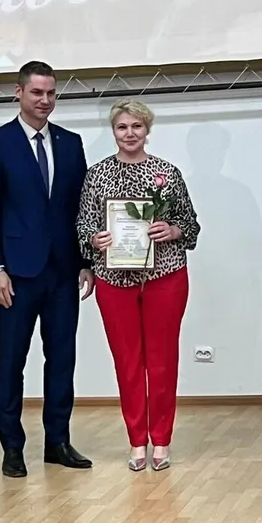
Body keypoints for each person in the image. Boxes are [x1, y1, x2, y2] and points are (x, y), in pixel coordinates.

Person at [0, 60, 95, 478]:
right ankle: (12, 447)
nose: (45, 100)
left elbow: (80, 210)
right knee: (11, 362)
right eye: (37, 92)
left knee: (62, 359)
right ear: (19, 93)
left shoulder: (71, 143)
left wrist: (85, 262)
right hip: (16, 275)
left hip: (62, 272)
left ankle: (57, 442)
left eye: (51, 93)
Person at [77, 99, 200, 471]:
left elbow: (191, 225)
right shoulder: (97, 175)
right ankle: (136, 441)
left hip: (165, 275)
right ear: (113, 131)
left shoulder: (167, 173)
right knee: (128, 362)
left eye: (136, 126)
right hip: (114, 279)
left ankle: (161, 440)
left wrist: (173, 230)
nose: (129, 133)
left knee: (162, 361)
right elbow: (82, 226)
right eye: (122, 127)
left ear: (147, 130)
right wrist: (94, 240)